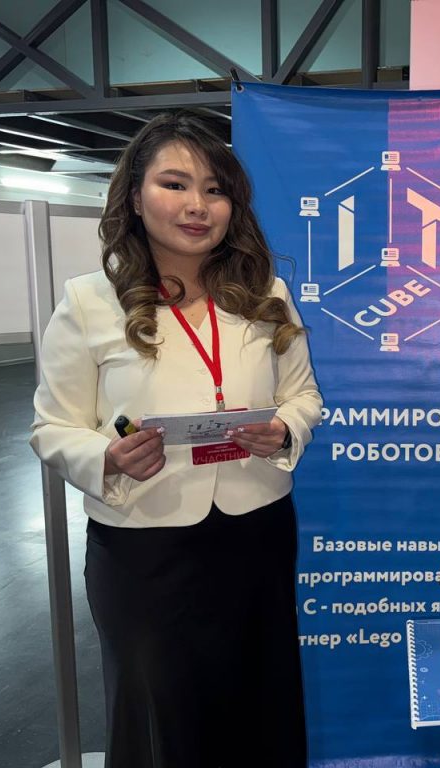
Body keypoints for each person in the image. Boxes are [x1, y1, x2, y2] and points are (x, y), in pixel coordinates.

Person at [30, 112, 322, 767]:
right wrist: (106, 456)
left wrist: (284, 428)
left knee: (259, 700)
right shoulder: (89, 302)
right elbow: (52, 425)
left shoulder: (265, 295)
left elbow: (304, 396)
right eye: (175, 184)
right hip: (143, 544)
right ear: (135, 198)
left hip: (255, 531)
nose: (197, 205)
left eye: (215, 190)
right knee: (160, 714)